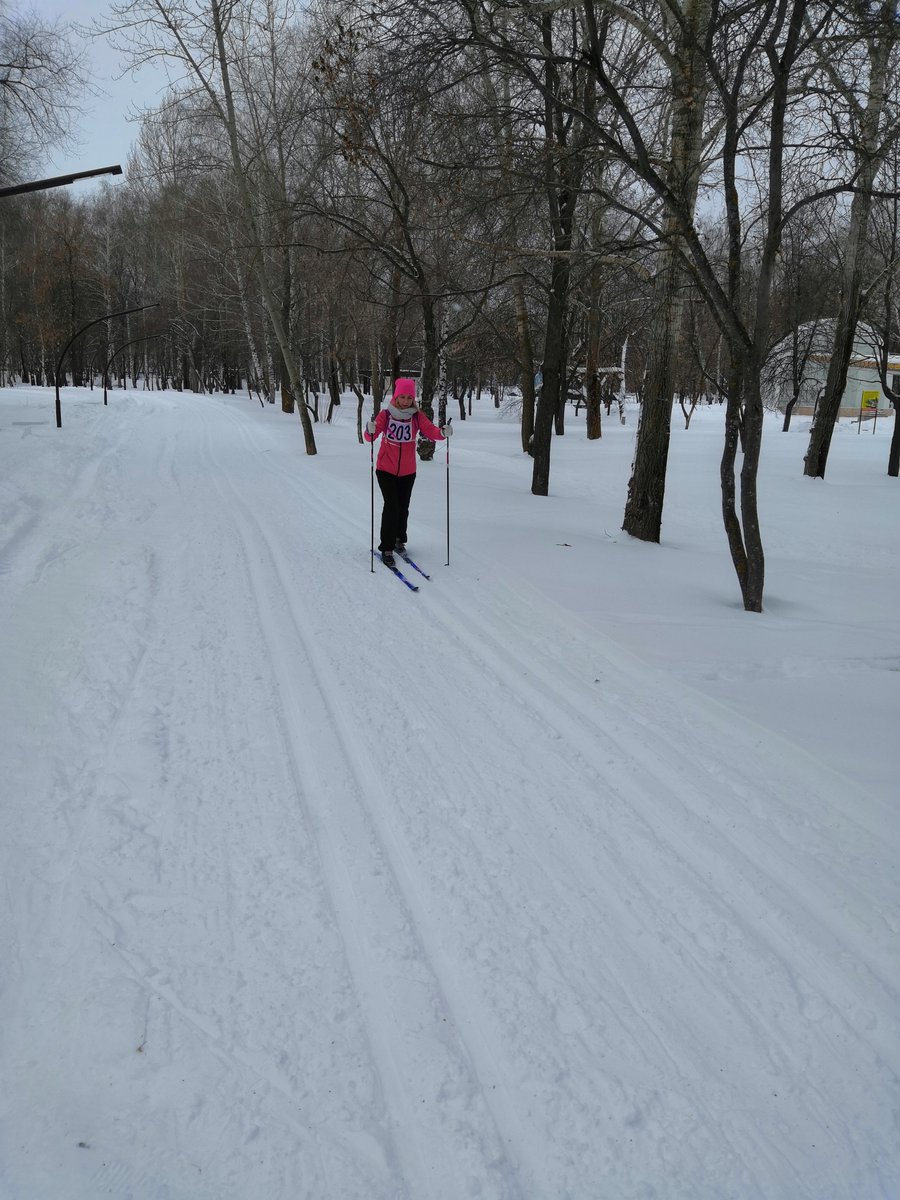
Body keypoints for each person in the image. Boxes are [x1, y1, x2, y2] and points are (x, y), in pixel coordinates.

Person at [365, 377, 452, 566]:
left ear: (413, 399)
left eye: (409, 398)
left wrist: (443, 433)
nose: (405, 401)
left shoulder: (416, 416)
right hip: (385, 469)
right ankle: (386, 547)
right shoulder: (386, 415)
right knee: (392, 506)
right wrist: (369, 430)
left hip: (407, 471)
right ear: (396, 397)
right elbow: (370, 436)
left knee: (403, 507)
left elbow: (430, 430)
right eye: (402, 397)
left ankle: (399, 539)